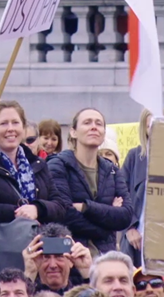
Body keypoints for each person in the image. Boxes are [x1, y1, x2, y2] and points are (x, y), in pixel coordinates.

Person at [0, 100, 70, 269]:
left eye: (15, 122)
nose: (10, 129)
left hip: (37, 259)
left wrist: (37, 209)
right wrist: (14, 211)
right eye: (3, 123)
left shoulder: (38, 164)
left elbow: (61, 206)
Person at [48, 108, 133, 254]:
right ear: (73, 132)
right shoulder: (58, 165)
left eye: (98, 124)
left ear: (104, 133)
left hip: (105, 258)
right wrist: (106, 226)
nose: (94, 126)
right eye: (87, 122)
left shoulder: (112, 170)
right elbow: (64, 214)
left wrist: (85, 208)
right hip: (69, 257)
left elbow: (125, 215)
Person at [120, 110, 156, 266]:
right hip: (137, 241)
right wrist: (129, 228)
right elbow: (120, 195)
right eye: (150, 127)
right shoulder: (134, 157)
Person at [20, 224, 90, 294]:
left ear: (71, 261)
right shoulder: (27, 293)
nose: (53, 265)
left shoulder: (81, 293)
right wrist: (29, 274)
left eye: (59, 256)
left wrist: (87, 273)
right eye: (46, 257)